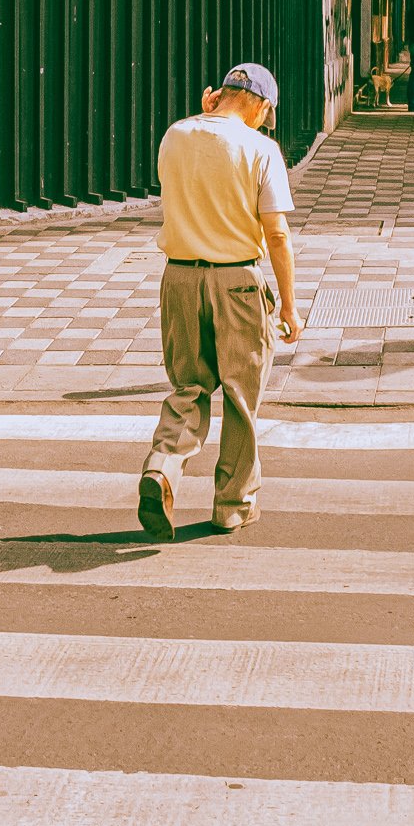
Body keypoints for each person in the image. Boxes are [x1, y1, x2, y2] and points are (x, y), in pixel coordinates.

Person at [137, 63, 303, 540]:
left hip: (180, 280)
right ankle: (232, 505)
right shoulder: (261, 149)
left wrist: (203, 114)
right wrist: (289, 305)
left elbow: (193, 156)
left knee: (188, 386)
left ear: (220, 95)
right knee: (240, 397)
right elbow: (276, 232)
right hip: (238, 285)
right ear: (262, 105)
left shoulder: (175, 134)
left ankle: (163, 467)